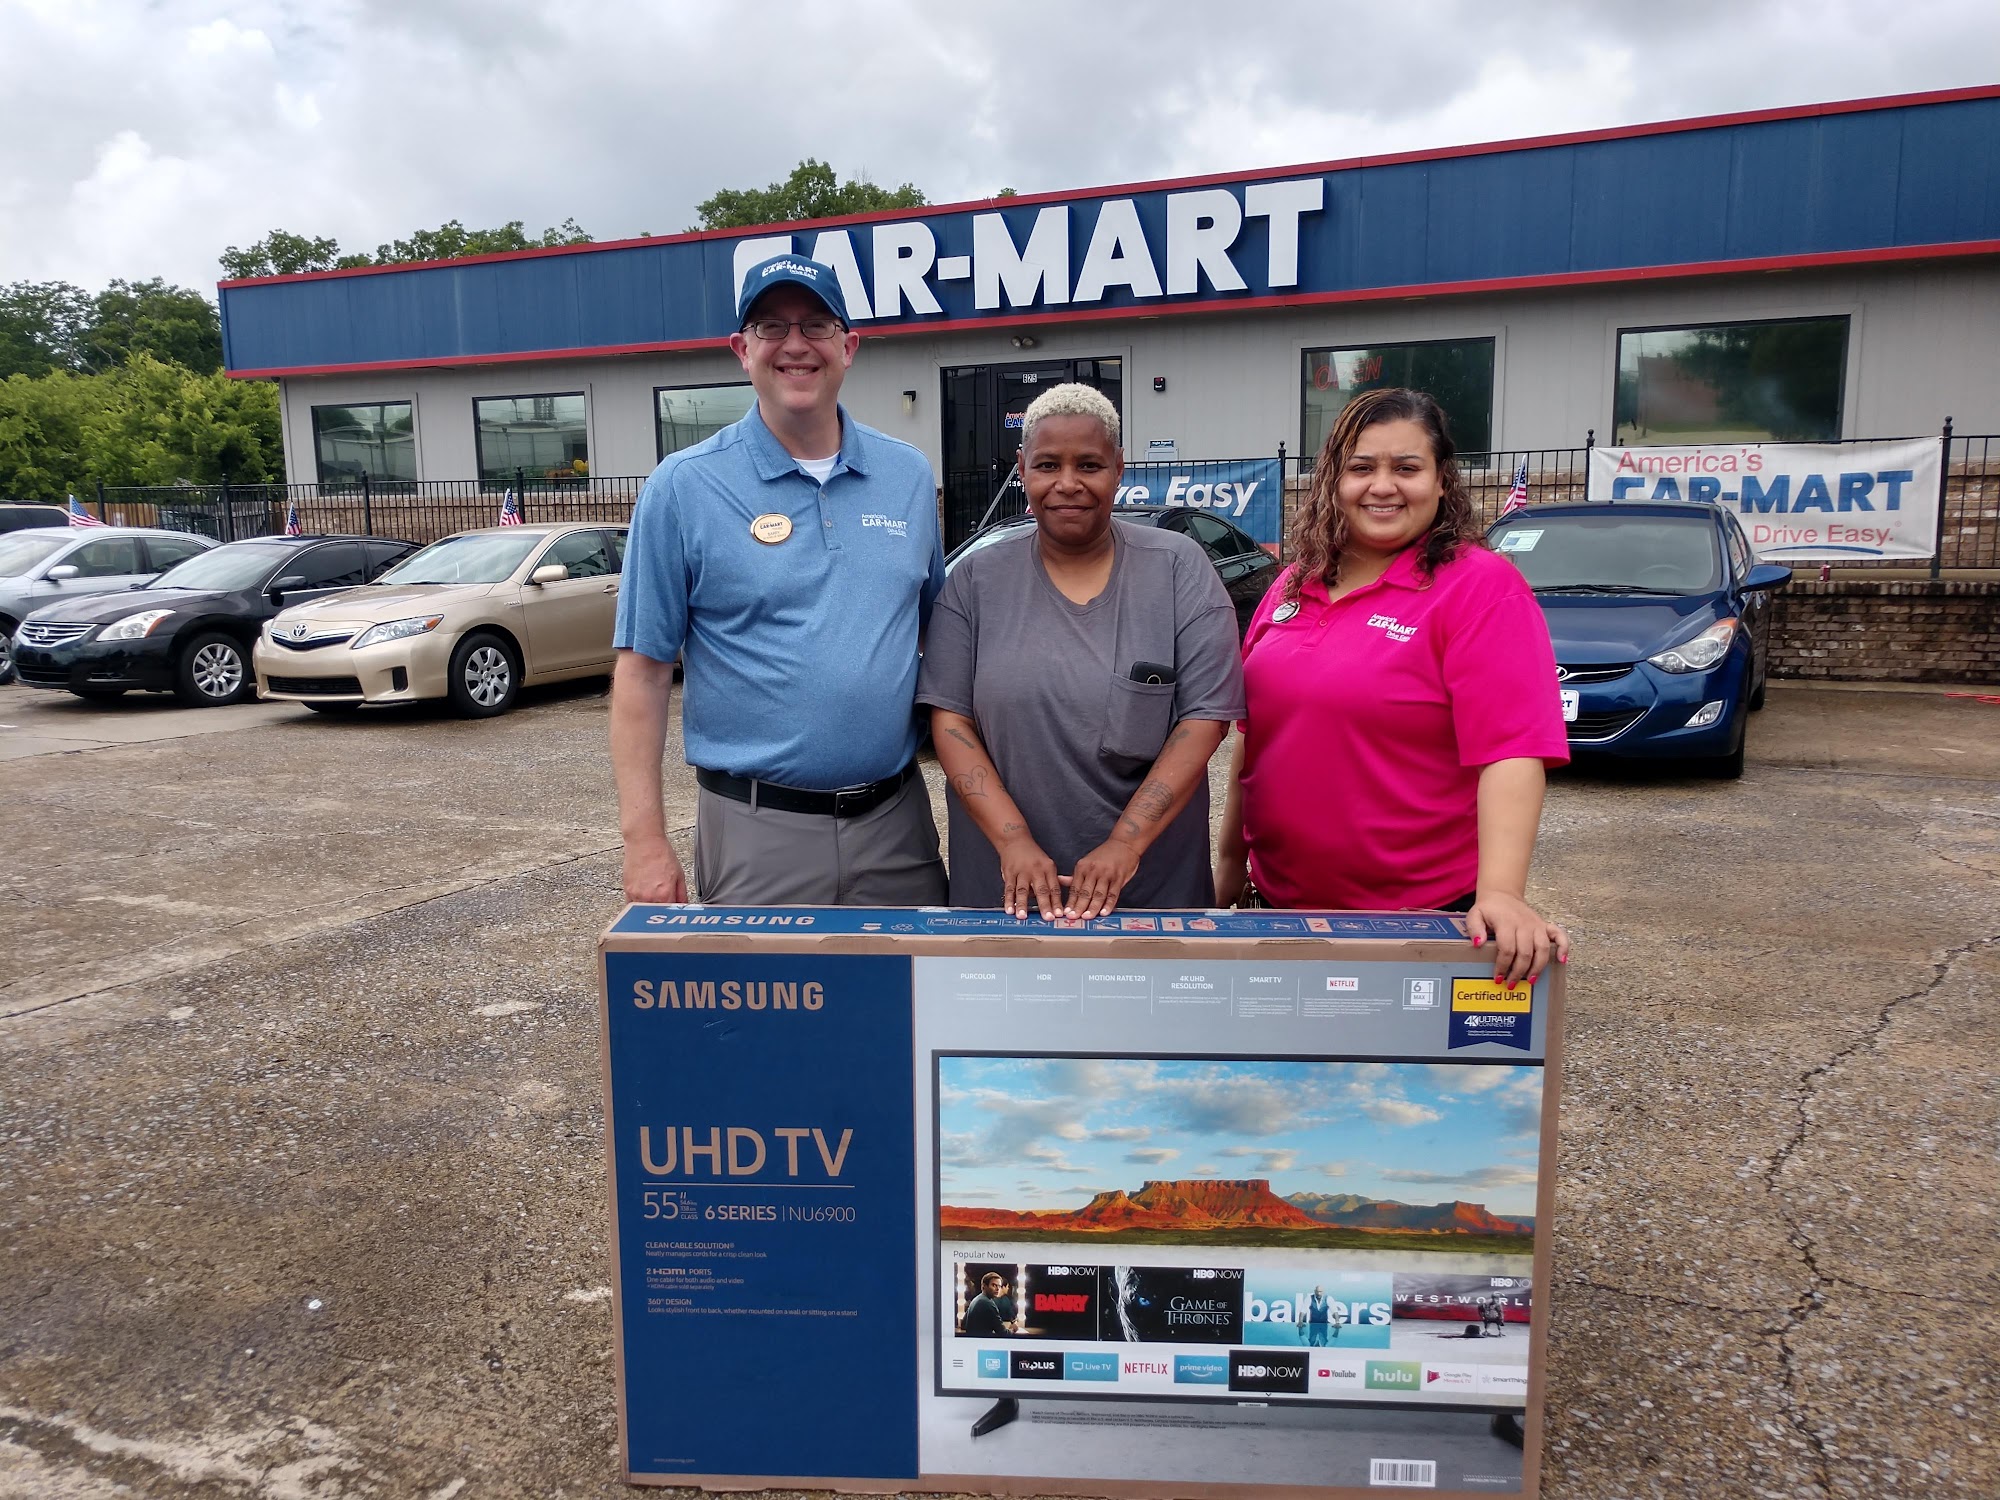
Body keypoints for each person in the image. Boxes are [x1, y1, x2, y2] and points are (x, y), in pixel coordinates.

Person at [610, 254, 947, 906]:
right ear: (743, 350)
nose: (796, 345)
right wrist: (643, 840)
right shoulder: (683, 486)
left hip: (897, 826)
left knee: (911, 978)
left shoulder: (907, 475)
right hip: (757, 833)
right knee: (766, 981)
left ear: (848, 347)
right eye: (771, 327)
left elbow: (936, 635)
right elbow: (643, 673)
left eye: (816, 325)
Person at [1215, 387, 1569, 983]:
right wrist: (1228, 865)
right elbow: (1255, 740)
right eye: (1361, 468)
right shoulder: (1293, 584)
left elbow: (1511, 752)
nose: (1382, 486)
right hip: (1278, 912)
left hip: (1418, 926)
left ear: (1441, 481)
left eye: (1406, 468)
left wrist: (1502, 893)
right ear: (1334, 481)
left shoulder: (1481, 588)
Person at [917, 383, 1244, 920]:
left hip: (1150, 896)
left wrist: (1125, 846)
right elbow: (950, 720)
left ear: (1118, 469)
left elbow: (1205, 721)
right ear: (1022, 469)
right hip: (1006, 895)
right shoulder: (976, 580)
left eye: (1089, 465)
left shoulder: (1178, 569)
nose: (1067, 484)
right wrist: (1013, 840)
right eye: (1048, 465)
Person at [961, 1272, 1016, 1336]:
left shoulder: (977, 1299)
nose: (997, 1289)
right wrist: (1013, 1330)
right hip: (982, 1340)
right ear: (984, 1286)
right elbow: (1003, 1333)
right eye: (994, 1285)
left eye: (999, 1286)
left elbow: (963, 1324)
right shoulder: (988, 1303)